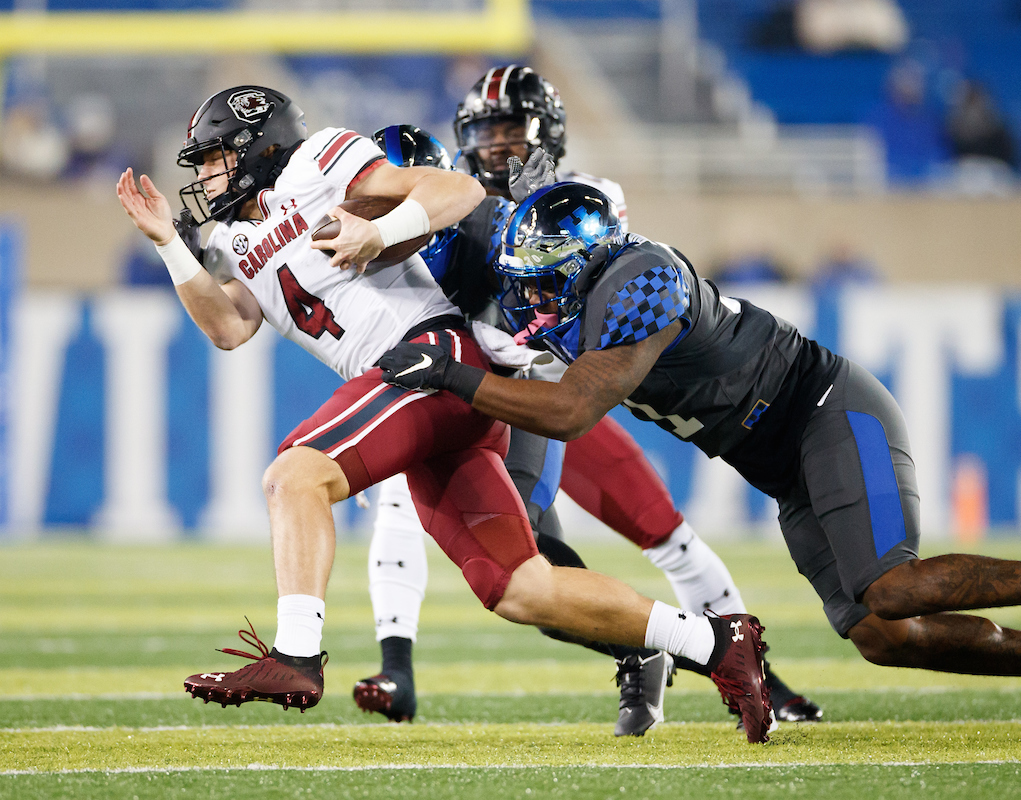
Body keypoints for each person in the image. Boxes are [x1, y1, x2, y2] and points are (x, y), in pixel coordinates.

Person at [377, 181, 1021, 745]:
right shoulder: (581, 287)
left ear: (583, 264)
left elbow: (574, 409)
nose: (532, 301)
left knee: (893, 585)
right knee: (884, 635)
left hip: (823, 409)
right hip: (780, 459)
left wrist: (452, 377)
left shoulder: (642, 281)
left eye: (545, 282)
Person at [114, 85, 775, 743]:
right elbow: (229, 326)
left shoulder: (320, 160)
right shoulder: (233, 235)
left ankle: (296, 655)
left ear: (260, 146)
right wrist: (171, 243)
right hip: (415, 389)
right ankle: (718, 644)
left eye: (213, 157)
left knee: (295, 475)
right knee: (522, 589)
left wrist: (378, 229)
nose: (204, 175)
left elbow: (458, 193)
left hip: (430, 355)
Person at [354, 66, 822, 736]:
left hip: (554, 393)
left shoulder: (586, 198)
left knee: (660, 531)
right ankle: (635, 651)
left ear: (546, 129)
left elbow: (578, 289)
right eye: (484, 129)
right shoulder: (442, 198)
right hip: (486, 395)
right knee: (528, 567)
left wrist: (528, 202)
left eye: (511, 127)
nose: (496, 142)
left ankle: (762, 679)